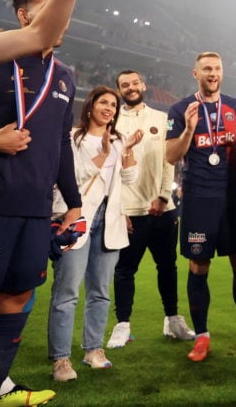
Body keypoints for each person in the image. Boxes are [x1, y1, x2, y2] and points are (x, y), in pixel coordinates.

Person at [0, 0, 99, 403]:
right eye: (47, 6)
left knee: (16, 301)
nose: (60, 14)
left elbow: (56, 147)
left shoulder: (66, 76)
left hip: (33, 213)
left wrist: (70, 204)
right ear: (20, 15)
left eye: (63, 6)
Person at [166, 52, 236, 362]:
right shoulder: (181, 109)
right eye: (207, 68)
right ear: (195, 73)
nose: (213, 73)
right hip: (199, 198)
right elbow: (171, 156)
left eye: (217, 68)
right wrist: (190, 129)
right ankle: (202, 337)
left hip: (234, 196)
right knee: (199, 265)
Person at [48, 86, 141, 380]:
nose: (109, 108)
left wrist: (126, 155)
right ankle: (61, 360)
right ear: (90, 106)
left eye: (113, 105)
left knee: (101, 292)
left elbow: (128, 179)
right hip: (77, 219)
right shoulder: (72, 139)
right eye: (104, 102)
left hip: (108, 221)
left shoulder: (117, 139)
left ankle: (93, 350)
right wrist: (101, 155)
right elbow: (72, 179)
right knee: (67, 293)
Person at [107, 70, 193, 348]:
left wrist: (164, 196)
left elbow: (170, 161)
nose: (130, 88)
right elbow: (110, 169)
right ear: (119, 90)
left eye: (135, 83)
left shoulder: (161, 117)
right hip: (129, 211)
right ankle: (123, 325)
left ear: (144, 85)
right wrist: (119, 208)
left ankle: (172, 319)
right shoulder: (112, 120)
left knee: (167, 266)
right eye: (124, 85)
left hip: (162, 208)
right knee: (124, 270)